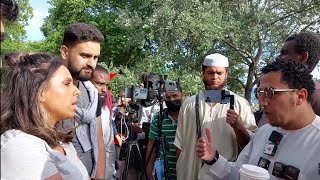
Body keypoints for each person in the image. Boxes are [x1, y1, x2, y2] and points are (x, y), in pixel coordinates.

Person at [196, 60, 319, 179]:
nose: (262, 102)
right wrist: (214, 159)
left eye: (270, 93)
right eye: (259, 93)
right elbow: (239, 173)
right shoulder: (264, 132)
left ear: (300, 96)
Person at [0, 53, 89, 179]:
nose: (77, 91)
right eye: (67, 84)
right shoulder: (21, 146)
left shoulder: (60, 140)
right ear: (39, 91)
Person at [174, 53, 257, 180]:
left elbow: (250, 146)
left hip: (223, 175)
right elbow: (179, 144)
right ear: (203, 73)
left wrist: (237, 126)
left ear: (226, 74)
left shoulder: (240, 104)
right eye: (210, 72)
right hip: (189, 173)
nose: (214, 77)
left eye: (219, 73)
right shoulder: (188, 104)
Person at [59, 22, 106, 179]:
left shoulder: (92, 93)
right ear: (65, 52)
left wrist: (99, 176)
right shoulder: (45, 90)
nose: (91, 63)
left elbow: (99, 140)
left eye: (95, 57)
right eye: (85, 56)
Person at [276, 31, 320, 116]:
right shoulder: (280, 88)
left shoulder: (316, 94)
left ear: (303, 57)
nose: (277, 58)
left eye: (284, 53)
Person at [146, 86, 184, 180]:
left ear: (182, 95)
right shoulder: (158, 118)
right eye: (167, 97)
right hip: (164, 174)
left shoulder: (190, 116)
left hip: (186, 173)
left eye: (175, 95)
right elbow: (151, 148)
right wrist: (148, 173)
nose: (171, 99)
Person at [90, 64, 117, 180]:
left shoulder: (105, 112)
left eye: (106, 85)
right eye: (100, 84)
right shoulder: (71, 110)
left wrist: (109, 175)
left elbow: (108, 149)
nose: (104, 90)